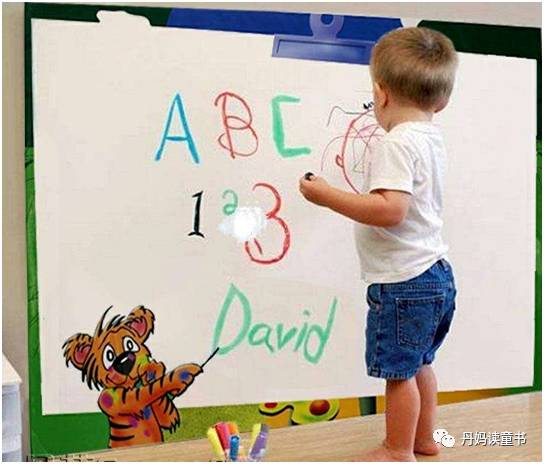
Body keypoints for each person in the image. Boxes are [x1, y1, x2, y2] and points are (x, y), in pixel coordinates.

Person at [299, 27, 458, 461]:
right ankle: (423, 440)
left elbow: (390, 210)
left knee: (398, 373)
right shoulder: (431, 139)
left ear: (380, 93)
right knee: (420, 363)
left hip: (405, 281)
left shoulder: (397, 143)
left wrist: (326, 196)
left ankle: (397, 449)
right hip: (435, 274)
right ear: (441, 101)